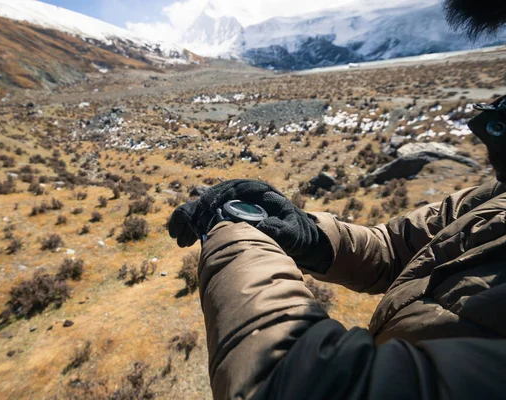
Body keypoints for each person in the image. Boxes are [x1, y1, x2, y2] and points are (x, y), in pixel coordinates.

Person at [167, 6, 506, 397]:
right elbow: (396, 248)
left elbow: (312, 386)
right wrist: (309, 235)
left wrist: (231, 232)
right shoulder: (493, 198)